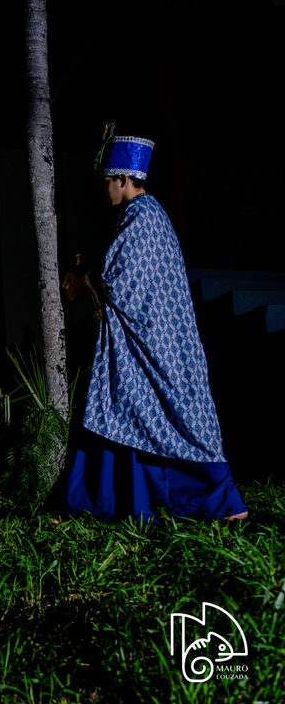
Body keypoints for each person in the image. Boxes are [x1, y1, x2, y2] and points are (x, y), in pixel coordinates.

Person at [54, 136, 247, 521]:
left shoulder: (143, 219)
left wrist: (86, 280)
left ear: (124, 179)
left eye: (107, 180)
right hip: (144, 340)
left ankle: (222, 501)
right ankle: (83, 502)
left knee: (160, 414)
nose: (103, 189)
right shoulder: (146, 215)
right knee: (123, 413)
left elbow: (123, 284)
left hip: (155, 343)